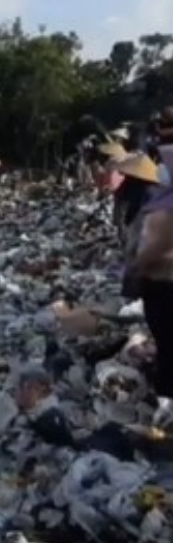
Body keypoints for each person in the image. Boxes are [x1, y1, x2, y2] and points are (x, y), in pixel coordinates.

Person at [126, 146, 173, 425]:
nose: (162, 169)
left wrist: (136, 266)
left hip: (163, 284)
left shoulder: (168, 208)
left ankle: (166, 402)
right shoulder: (162, 202)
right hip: (161, 282)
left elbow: (156, 248)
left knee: (168, 343)